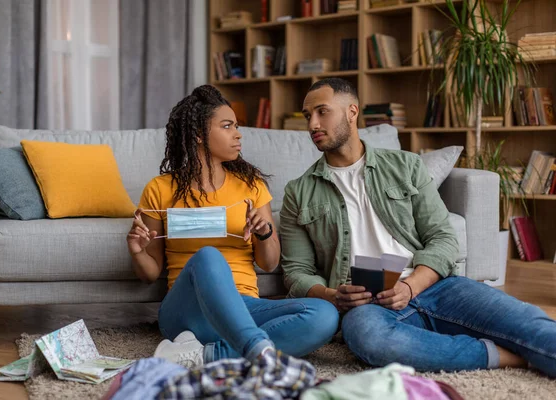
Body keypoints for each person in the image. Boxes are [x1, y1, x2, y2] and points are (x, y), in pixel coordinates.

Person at [279, 77, 556, 377]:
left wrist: (411, 286)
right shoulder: (299, 191)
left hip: (436, 287)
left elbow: (442, 238)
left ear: (352, 111)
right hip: (368, 308)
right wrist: (333, 296)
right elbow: (296, 273)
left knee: (529, 323)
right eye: (308, 116)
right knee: (368, 339)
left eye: (322, 112)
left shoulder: (406, 166)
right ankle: (502, 356)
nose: (312, 125)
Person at [127, 84, 338, 368]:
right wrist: (139, 252)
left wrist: (264, 232)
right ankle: (257, 350)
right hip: (188, 313)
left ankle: (209, 356)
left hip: (245, 307)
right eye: (227, 126)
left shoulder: (251, 187)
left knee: (325, 314)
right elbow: (150, 274)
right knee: (208, 255)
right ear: (198, 135)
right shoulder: (160, 189)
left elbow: (269, 262)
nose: (238, 134)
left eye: (236, 126)